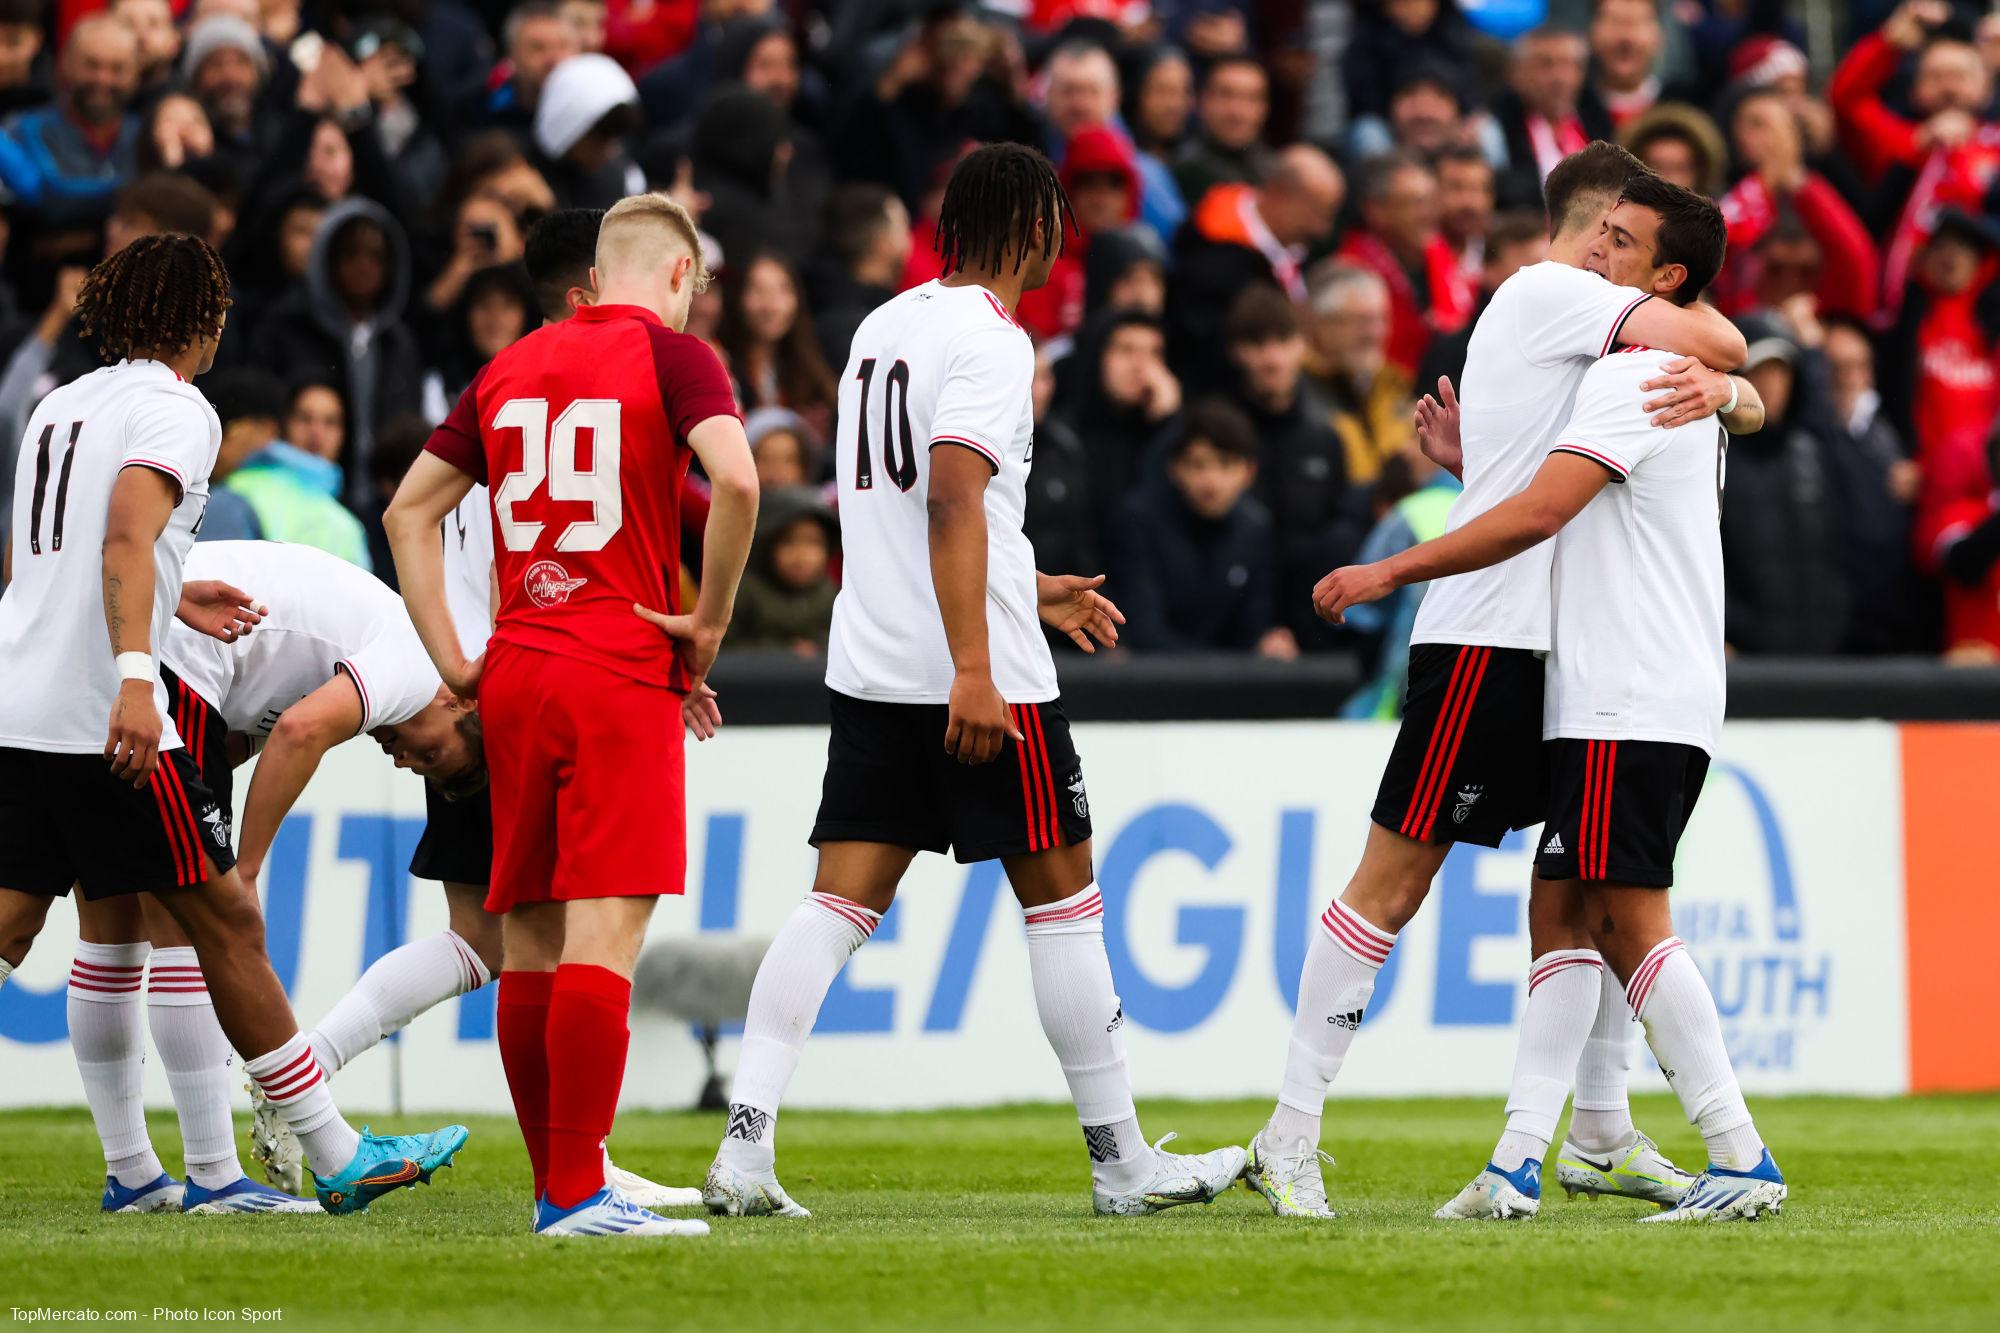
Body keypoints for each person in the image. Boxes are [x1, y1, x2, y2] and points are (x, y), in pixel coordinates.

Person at [699, 143, 1244, 1221]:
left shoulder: (882, 325)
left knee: (835, 903)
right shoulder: (993, 341)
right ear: (1026, 224)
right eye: (1055, 217)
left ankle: (744, 1147)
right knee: (1066, 901)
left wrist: (1026, 582)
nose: (1062, 238)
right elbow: (951, 495)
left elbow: (908, 511)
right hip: (971, 674)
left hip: (870, 663)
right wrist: (976, 663)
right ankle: (1121, 1163)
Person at [1239, 143, 1754, 1221]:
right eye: (1607, 229)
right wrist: (1733, 375)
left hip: (1559, 649)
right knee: (1397, 882)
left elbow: (1541, 472)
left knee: (1573, 898)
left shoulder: (1573, 330)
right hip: (1490, 636)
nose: (1608, 247)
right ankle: (1288, 1130)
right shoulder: (1548, 292)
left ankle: (1588, 1132)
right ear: (1585, 228)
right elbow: (1716, 334)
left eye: (1627, 237)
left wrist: (1477, 463)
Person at [0, 233, 467, 1217]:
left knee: (62, 923)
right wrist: (137, 673)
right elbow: (128, 532)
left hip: (23, 700)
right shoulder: (175, 408)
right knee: (222, 919)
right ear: (202, 321)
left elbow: (44, 554)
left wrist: (168, 598)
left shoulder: (61, 404)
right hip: (105, 708)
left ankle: (138, 1172)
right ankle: (313, 1158)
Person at [386, 191, 758, 1239]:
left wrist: (453, 655)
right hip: (614, 661)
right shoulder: (674, 359)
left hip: (516, 669)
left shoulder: (511, 363)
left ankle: (561, 1187)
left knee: (532, 932)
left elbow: (406, 510)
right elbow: (737, 479)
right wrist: (709, 622)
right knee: (606, 928)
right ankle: (580, 1193)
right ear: (678, 275)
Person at [1108, 399, 1289, 656]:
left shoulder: (1256, 529)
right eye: (1198, 465)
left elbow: (1255, 627)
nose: (1211, 481)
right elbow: (1144, 632)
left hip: (1235, 685)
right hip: (1155, 682)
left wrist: (1267, 646)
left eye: (1225, 464)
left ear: (1249, 472)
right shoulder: (1139, 522)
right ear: (1175, 469)